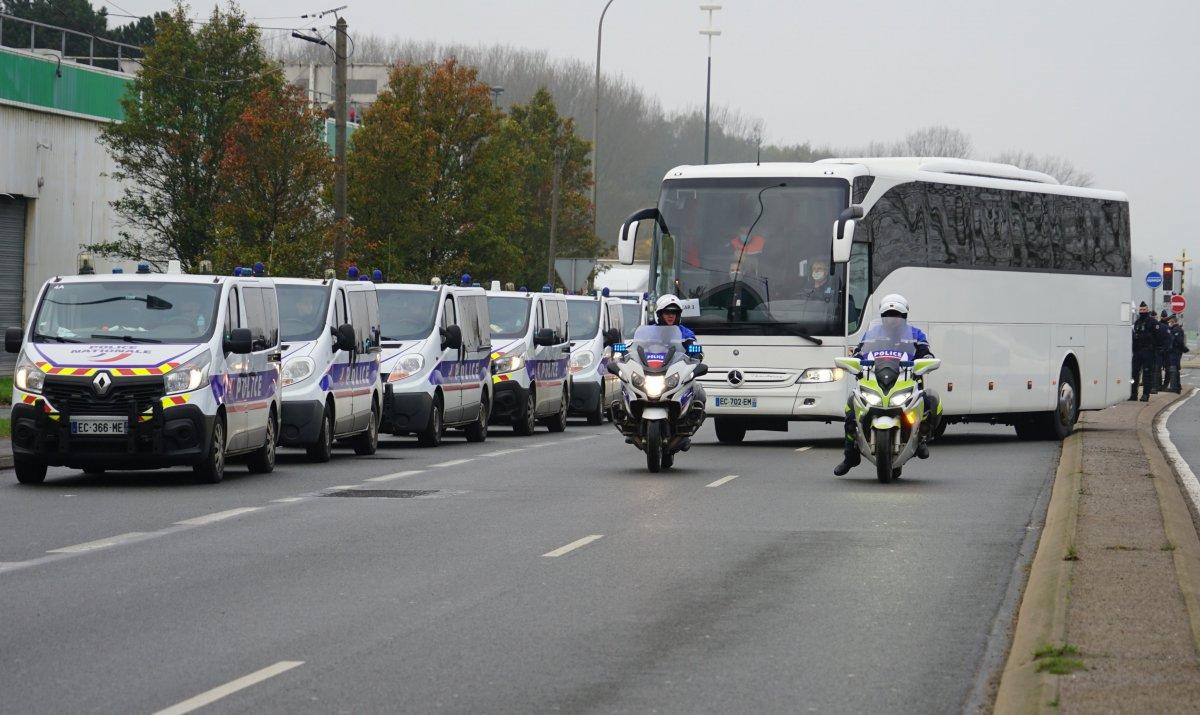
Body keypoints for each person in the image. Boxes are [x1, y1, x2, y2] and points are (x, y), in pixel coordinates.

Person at [834, 294, 939, 476]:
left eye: (896, 315)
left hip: (907, 380)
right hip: (875, 381)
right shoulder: (872, 334)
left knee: (930, 400)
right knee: (851, 407)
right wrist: (855, 361)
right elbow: (859, 353)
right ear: (882, 317)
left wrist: (926, 359)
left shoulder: (916, 334)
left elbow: (925, 353)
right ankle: (850, 456)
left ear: (904, 316)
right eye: (888, 315)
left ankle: (921, 438)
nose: (892, 319)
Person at [1131, 302, 1156, 401]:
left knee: (1146, 374)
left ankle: (1145, 394)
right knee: (1134, 373)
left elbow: (1158, 337)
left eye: (1144, 310)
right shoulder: (1137, 322)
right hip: (1137, 352)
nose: (1142, 311)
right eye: (1141, 310)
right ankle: (1133, 394)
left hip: (1148, 351)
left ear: (1147, 310)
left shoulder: (1152, 322)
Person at [1167, 314, 1189, 393]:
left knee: (1173, 368)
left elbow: (1179, 341)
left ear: (1173, 322)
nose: (1169, 324)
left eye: (1170, 322)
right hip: (1174, 351)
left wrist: (1184, 349)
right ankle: (1177, 386)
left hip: (1175, 351)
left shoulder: (1177, 330)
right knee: (1175, 368)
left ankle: (1174, 387)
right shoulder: (1174, 329)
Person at [1154, 310, 1172, 393]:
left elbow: (1169, 340)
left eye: (1165, 317)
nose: (1164, 318)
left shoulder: (1168, 326)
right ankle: (1159, 385)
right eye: (1163, 317)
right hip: (1159, 350)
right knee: (1158, 369)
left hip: (1166, 351)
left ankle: (1164, 385)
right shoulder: (1158, 325)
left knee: (1167, 369)